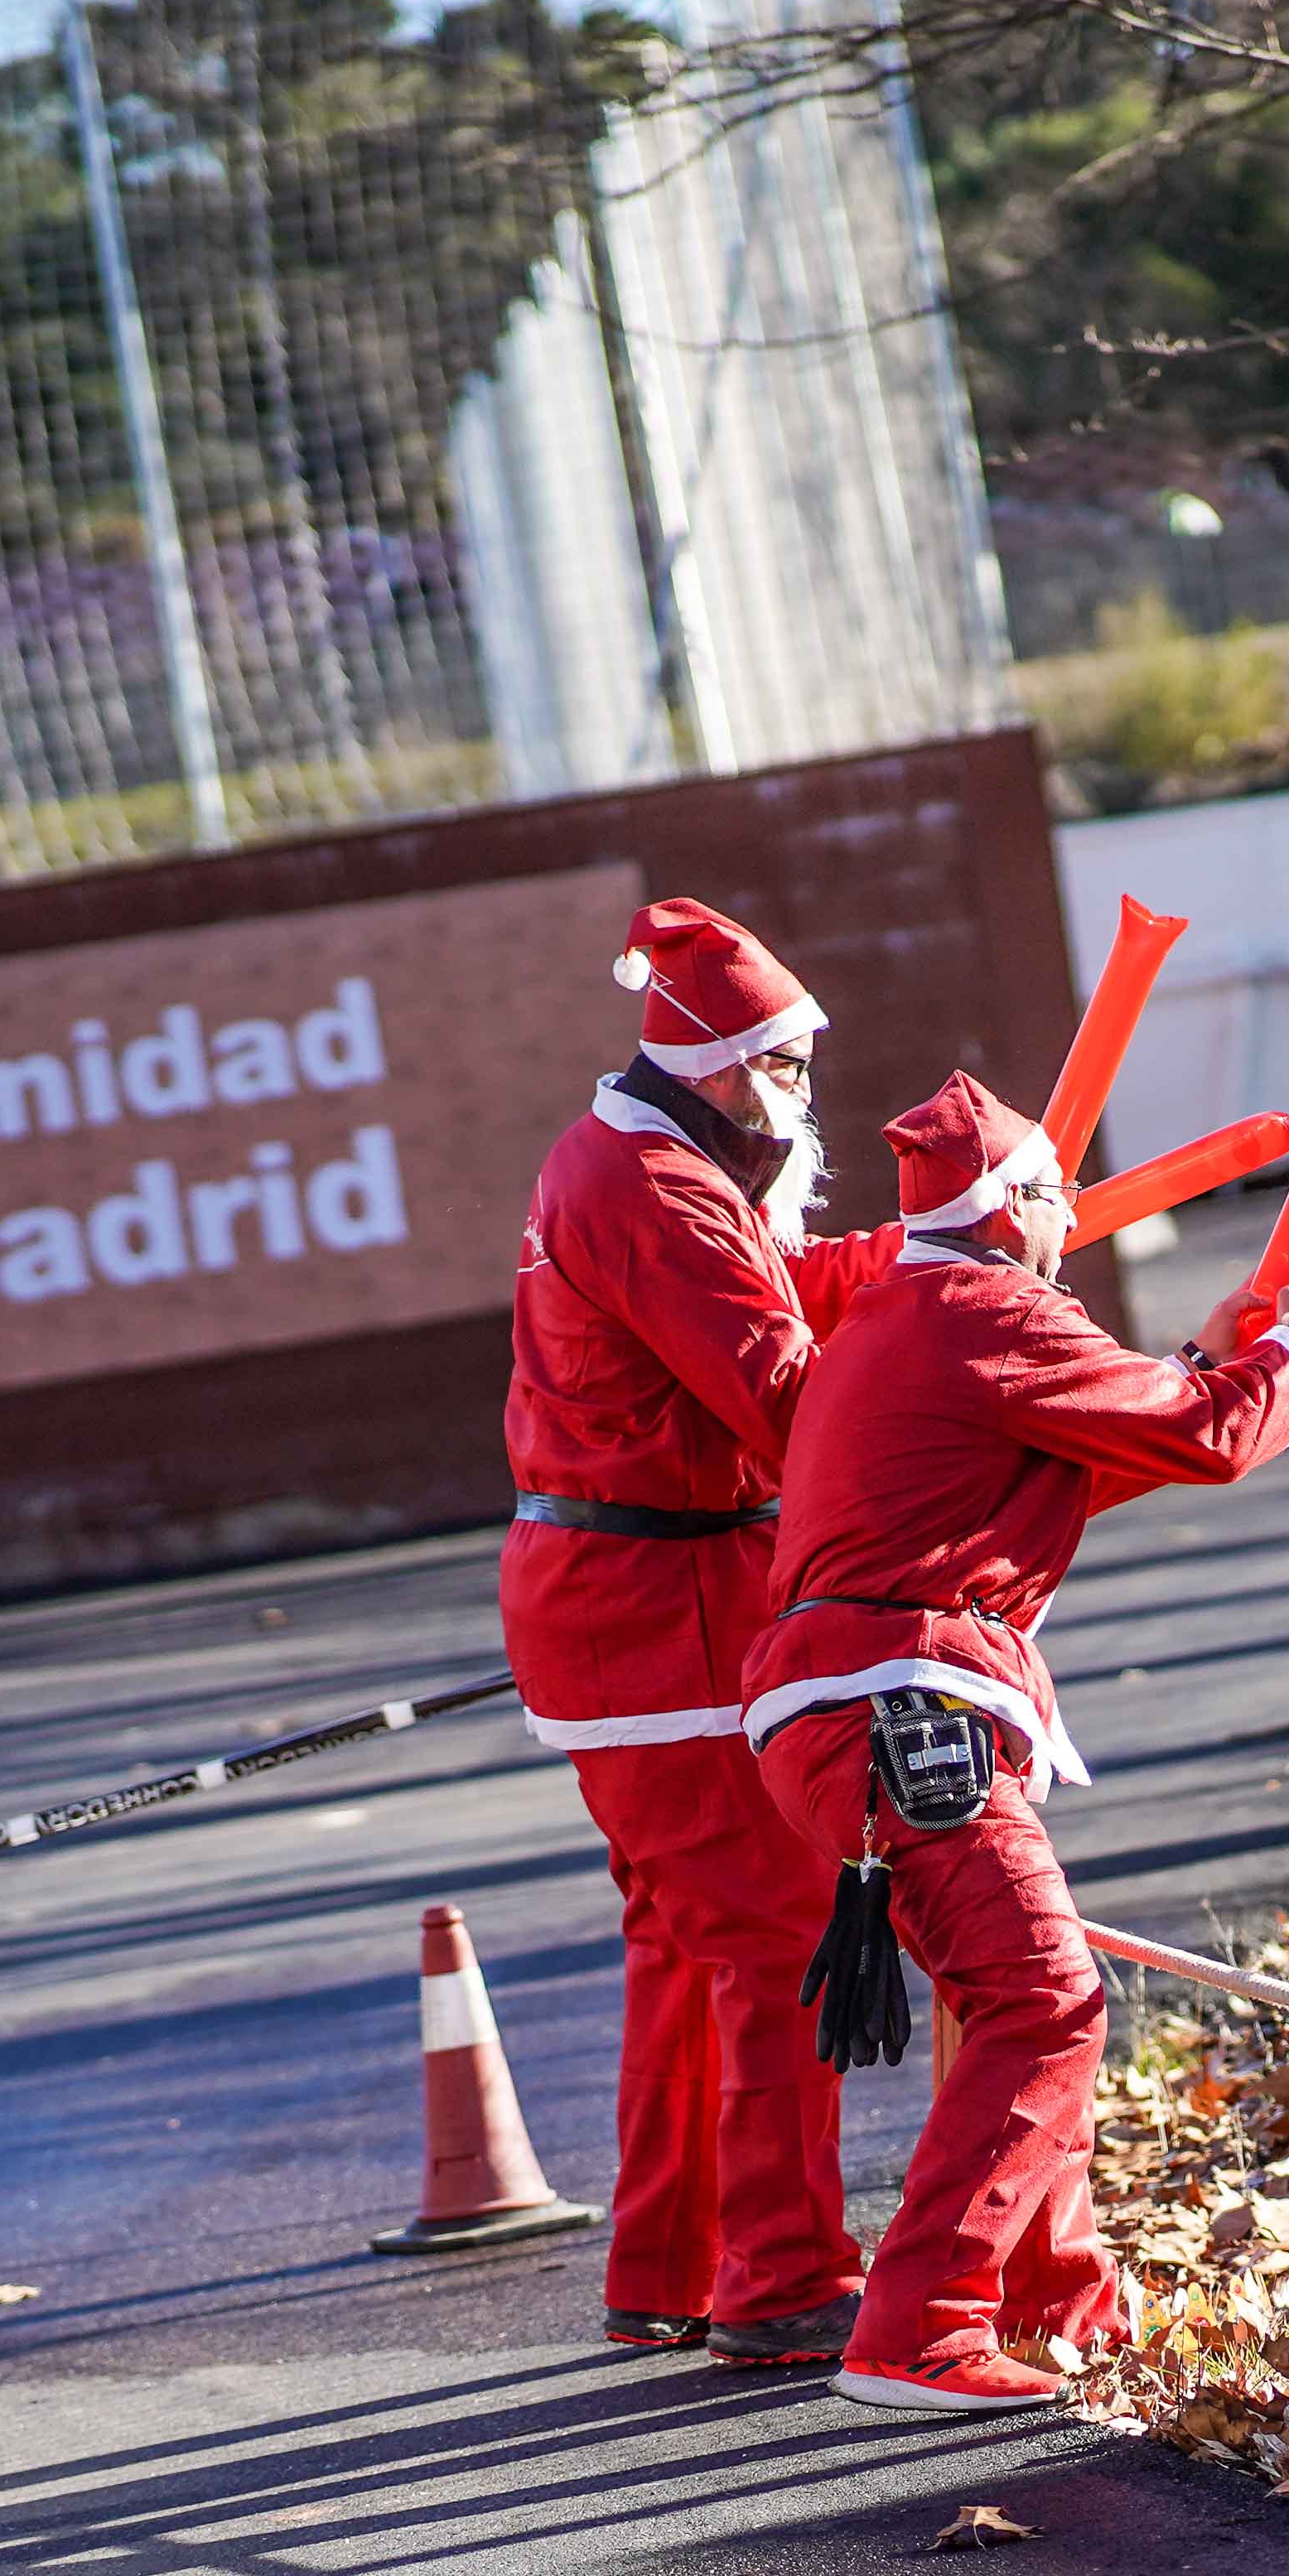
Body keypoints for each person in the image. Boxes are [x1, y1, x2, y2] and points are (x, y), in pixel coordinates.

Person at [741, 1075, 1289, 2414]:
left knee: (1007, 1996)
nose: (1071, 1217)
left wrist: (1236, 1366)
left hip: (849, 1706)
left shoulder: (898, 1314)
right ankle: (922, 2327)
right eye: (1057, 1193)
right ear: (1011, 1207)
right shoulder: (994, 1311)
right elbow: (1200, 1434)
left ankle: (1056, 2296)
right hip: (904, 1705)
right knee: (1046, 1999)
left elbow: (1109, 1440)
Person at [504, 898, 901, 2364]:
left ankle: (672, 2261)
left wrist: (923, 1257)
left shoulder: (636, 1159)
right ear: (734, 1068)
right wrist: (950, 1367)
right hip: (655, 1613)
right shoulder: (658, 1188)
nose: (808, 1089)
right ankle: (782, 2273)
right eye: (792, 1063)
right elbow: (788, 1399)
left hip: (634, 1606)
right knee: (769, 1929)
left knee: (685, 1944)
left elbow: (774, 1301)